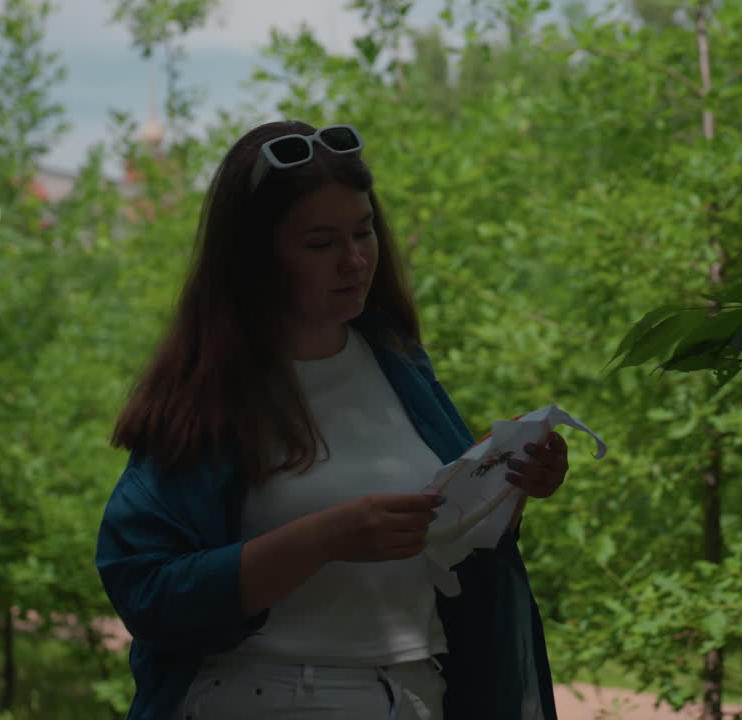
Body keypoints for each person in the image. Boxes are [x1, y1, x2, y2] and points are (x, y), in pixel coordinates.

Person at [95, 120, 570, 720]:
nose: (354, 261)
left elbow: (452, 549)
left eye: (364, 231)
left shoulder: (396, 361)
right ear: (253, 258)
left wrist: (506, 481)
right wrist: (326, 538)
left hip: (419, 694)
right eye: (319, 244)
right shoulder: (212, 396)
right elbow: (147, 590)